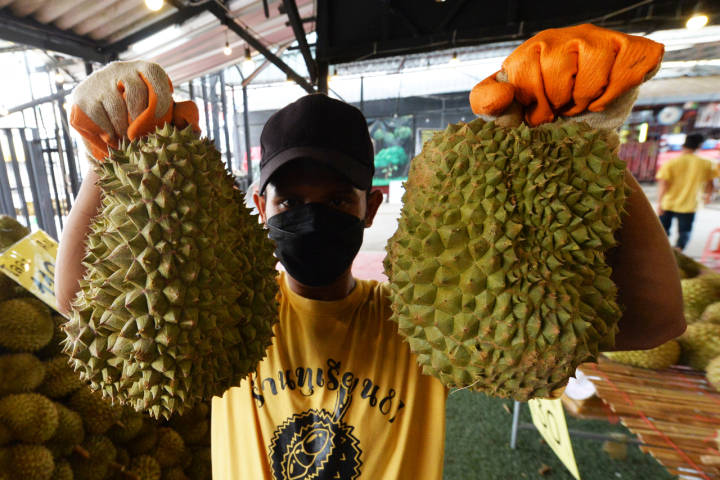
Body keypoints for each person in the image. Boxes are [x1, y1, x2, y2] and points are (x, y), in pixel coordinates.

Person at [56, 25, 685, 480]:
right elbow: (83, 305)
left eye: (336, 199)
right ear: (259, 208)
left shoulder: (421, 321)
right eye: (289, 200)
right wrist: (107, 167)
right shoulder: (225, 314)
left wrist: (592, 150)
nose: (311, 215)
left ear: (372, 208)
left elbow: (655, 323)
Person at [656, 133, 716, 251]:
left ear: (683, 146)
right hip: (690, 204)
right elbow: (710, 184)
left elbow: (663, 184)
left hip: (668, 203)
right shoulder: (707, 163)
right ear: (699, 146)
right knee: (685, 231)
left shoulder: (671, 163)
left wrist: (660, 203)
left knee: (662, 231)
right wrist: (708, 196)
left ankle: (662, 251)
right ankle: (679, 250)